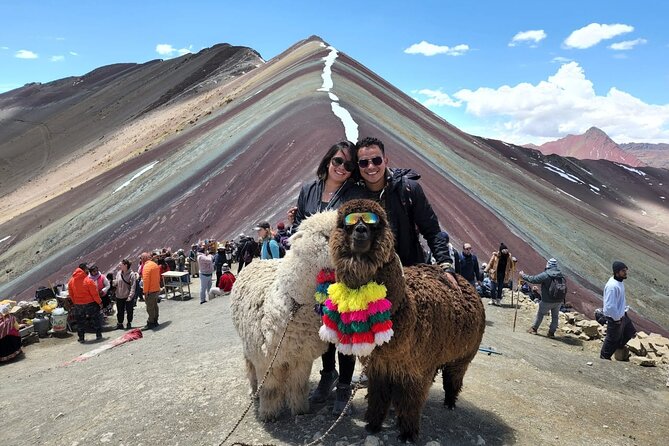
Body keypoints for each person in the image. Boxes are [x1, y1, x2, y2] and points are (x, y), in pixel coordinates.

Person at [286, 140, 361, 415]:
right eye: (338, 161)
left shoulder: (355, 193)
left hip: (341, 272)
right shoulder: (309, 189)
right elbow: (299, 226)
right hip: (314, 272)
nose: (341, 167)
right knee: (324, 327)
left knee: (344, 329)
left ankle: (344, 384)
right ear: (328, 161)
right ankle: (327, 374)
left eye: (348, 164)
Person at [355, 137, 456, 273]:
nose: (371, 166)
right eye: (364, 163)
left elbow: (431, 230)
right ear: (358, 165)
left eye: (376, 160)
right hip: (368, 273)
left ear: (385, 160)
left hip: (409, 272)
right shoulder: (354, 196)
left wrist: (445, 265)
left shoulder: (408, 189)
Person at [600, 261, 637, 360]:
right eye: (623, 271)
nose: (625, 273)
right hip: (615, 318)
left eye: (625, 270)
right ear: (617, 272)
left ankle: (618, 349)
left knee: (630, 332)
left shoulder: (619, 282)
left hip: (622, 315)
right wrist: (616, 319)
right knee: (612, 339)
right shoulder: (612, 286)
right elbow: (610, 306)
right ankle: (604, 358)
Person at [521, 258, 565, 337]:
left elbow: (533, 279)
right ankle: (551, 333)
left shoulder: (546, 275)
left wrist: (523, 275)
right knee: (555, 316)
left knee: (540, 314)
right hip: (558, 300)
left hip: (547, 300)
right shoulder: (560, 275)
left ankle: (534, 329)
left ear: (548, 265)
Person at [68, 263, 103, 342]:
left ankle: (81, 338)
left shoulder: (71, 281)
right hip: (90, 303)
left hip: (78, 304)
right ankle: (98, 335)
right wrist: (99, 302)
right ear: (84, 269)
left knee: (80, 322)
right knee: (95, 319)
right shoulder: (88, 280)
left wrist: (75, 302)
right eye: (87, 268)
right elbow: (94, 294)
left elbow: (71, 294)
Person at [115, 259, 137, 329]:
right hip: (119, 295)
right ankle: (120, 323)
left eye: (121, 265)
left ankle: (129, 322)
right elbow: (117, 282)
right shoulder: (119, 273)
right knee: (120, 311)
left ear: (125, 265)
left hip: (128, 296)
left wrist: (130, 296)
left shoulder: (131, 274)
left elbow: (133, 286)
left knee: (129, 310)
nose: (119, 266)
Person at [141, 252, 161, 329]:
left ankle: (151, 322)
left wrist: (145, 292)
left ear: (143, 259)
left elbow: (146, 280)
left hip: (150, 291)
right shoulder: (154, 265)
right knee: (155, 306)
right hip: (156, 288)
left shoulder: (146, 267)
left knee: (150, 307)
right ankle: (155, 320)